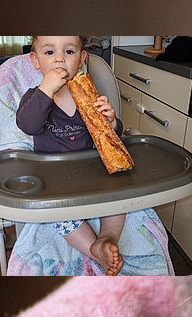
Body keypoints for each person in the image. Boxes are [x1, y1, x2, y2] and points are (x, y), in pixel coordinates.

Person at [15, 36, 125, 275]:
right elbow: (28, 125)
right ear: (35, 60)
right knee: (59, 215)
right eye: (48, 52)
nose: (59, 59)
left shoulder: (90, 96)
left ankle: (108, 236)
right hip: (55, 180)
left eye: (68, 51)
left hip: (91, 171)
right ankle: (93, 248)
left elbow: (111, 138)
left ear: (82, 59)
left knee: (121, 196)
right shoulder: (35, 96)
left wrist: (112, 121)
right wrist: (47, 89)